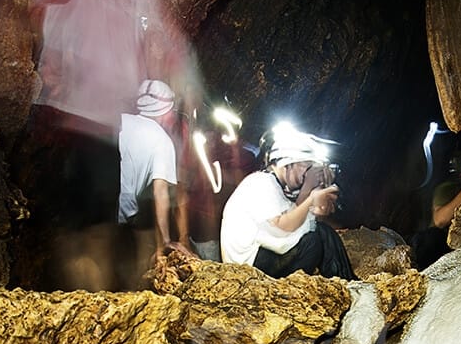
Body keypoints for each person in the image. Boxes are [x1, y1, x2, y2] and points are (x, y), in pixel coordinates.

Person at [220, 123, 357, 280]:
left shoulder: (274, 184)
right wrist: (311, 197)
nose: (307, 175)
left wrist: (314, 191)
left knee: (321, 231)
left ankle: (345, 280)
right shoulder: (261, 183)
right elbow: (284, 227)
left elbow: (295, 218)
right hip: (249, 267)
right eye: (306, 167)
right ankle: (345, 281)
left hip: (258, 259)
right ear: (288, 164)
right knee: (314, 240)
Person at [118, 79, 190, 282]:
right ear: (166, 111)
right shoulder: (162, 140)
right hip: (125, 210)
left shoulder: (122, 120)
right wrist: (165, 241)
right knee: (144, 259)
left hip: (101, 204)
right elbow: (160, 193)